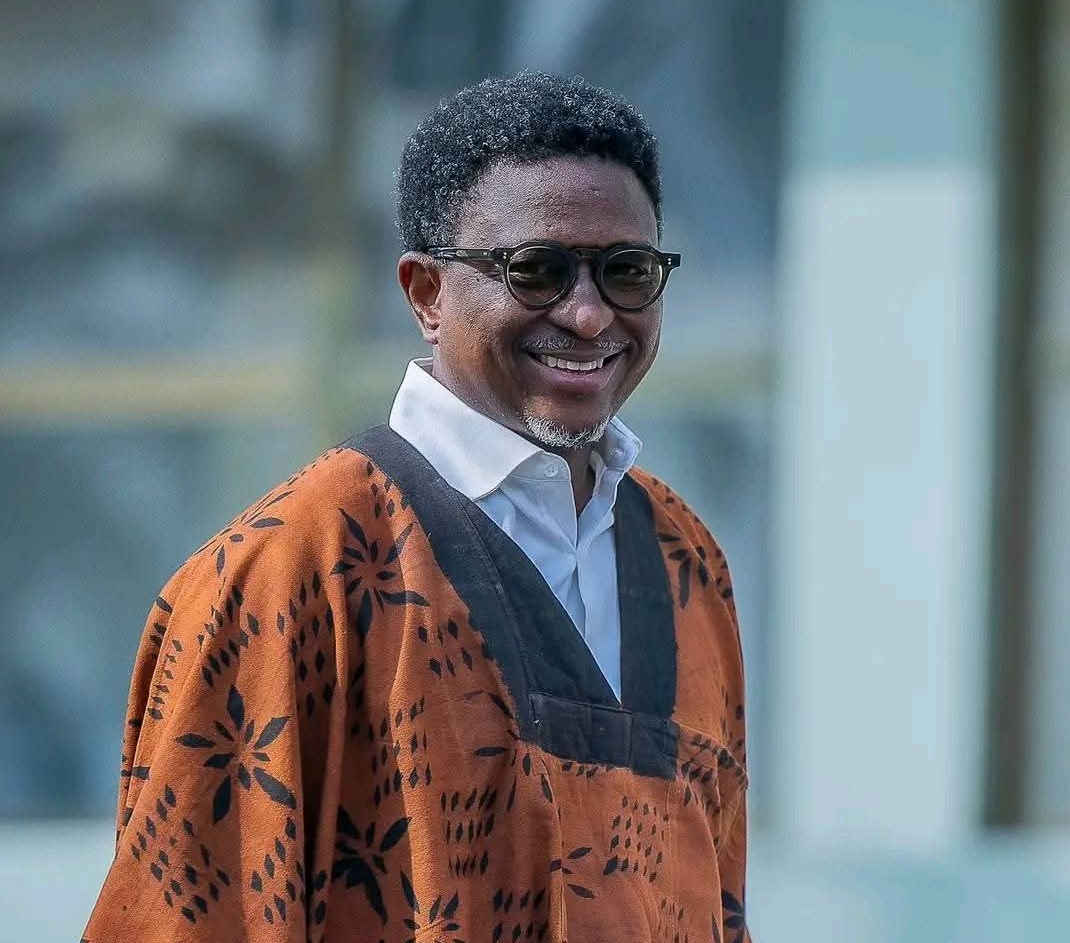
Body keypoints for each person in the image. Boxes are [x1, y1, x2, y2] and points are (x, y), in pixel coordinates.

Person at [85, 71, 752, 943]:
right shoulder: (288, 571)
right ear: (426, 294)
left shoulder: (686, 558)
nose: (590, 315)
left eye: (626, 271)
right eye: (538, 271)